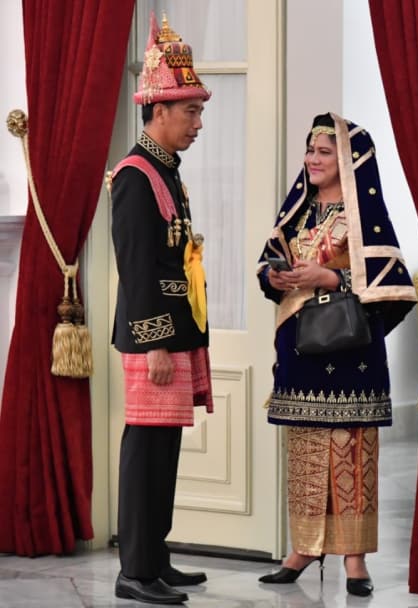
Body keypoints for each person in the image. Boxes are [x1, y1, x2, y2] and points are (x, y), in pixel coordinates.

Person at [256, 113, 417, 597]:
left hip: (351, 351)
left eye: (324, 152)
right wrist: (276, 277)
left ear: (348, 159)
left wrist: (331, 279)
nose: (312, 160)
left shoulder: (363, 215)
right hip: (301, 346)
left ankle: (354, 559)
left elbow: (395, 285)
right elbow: (269, 260)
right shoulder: (300, 211)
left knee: (352, 453)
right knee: (306, 450)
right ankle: (302, 549)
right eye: (310, 151)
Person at [110, 13, 214, 606]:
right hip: (155, 337)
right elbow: (137, 265)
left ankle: (156, 557)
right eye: (190, 111)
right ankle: (135, 572)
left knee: (166, 449)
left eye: (198, 111)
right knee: (145, 449)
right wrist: (154, 342)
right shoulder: (134, 174)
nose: (197, 122)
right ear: (157, 111)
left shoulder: (167, 171)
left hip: (177, 332)